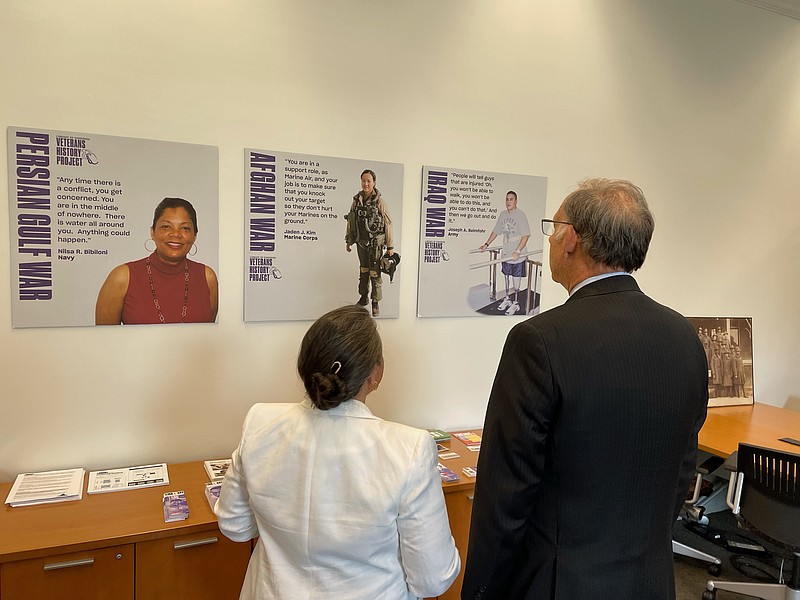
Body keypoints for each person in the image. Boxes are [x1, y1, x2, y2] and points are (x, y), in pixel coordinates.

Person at [461, 178, 708, 600]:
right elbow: (682, 469)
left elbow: (506, 494)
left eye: (552, 228)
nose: (551, 240)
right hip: (649, 581)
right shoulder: (685, 337)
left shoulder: (538, 340)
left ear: (571, 238)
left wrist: (481, 591)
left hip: (560, 583)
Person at [215, 305, 460, 600]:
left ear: (304, 365)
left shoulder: (259, 422)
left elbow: (235, 526)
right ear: (376, 371)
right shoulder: (409, 448)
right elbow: (433, 579)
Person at [95, 197, 218, 325]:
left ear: (195, 235)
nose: (175, 234)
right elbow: (104, 340)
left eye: (185, 228)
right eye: (166, 227)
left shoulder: (207, 277)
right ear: (152, 232)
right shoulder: (122, 277)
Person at [345, 169, 395, 317]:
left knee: (375, 272)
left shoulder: (380, 202)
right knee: (363, 271)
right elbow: (350, 221)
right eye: (363, 181)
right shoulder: (356, 201)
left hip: (375, 244)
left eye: (369, 181)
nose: (366, 183)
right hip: (361, 242)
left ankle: (375, 302)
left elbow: (388, 223)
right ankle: (363, 297)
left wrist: (390, 246)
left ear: (374, 182)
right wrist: (349, 240)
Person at [479, 191, 530, 316]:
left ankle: (516, 303)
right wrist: (486, 245)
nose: (508, 202)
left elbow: (526, 235)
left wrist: (518, 251)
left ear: (516, 201)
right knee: (506, 277)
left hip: (518, 253)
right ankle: (507, 299)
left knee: (516, 282)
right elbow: (496, 231)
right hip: (506, 252)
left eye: (511, 199)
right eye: (507, 199)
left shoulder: (521, 215)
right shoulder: (502, 214)